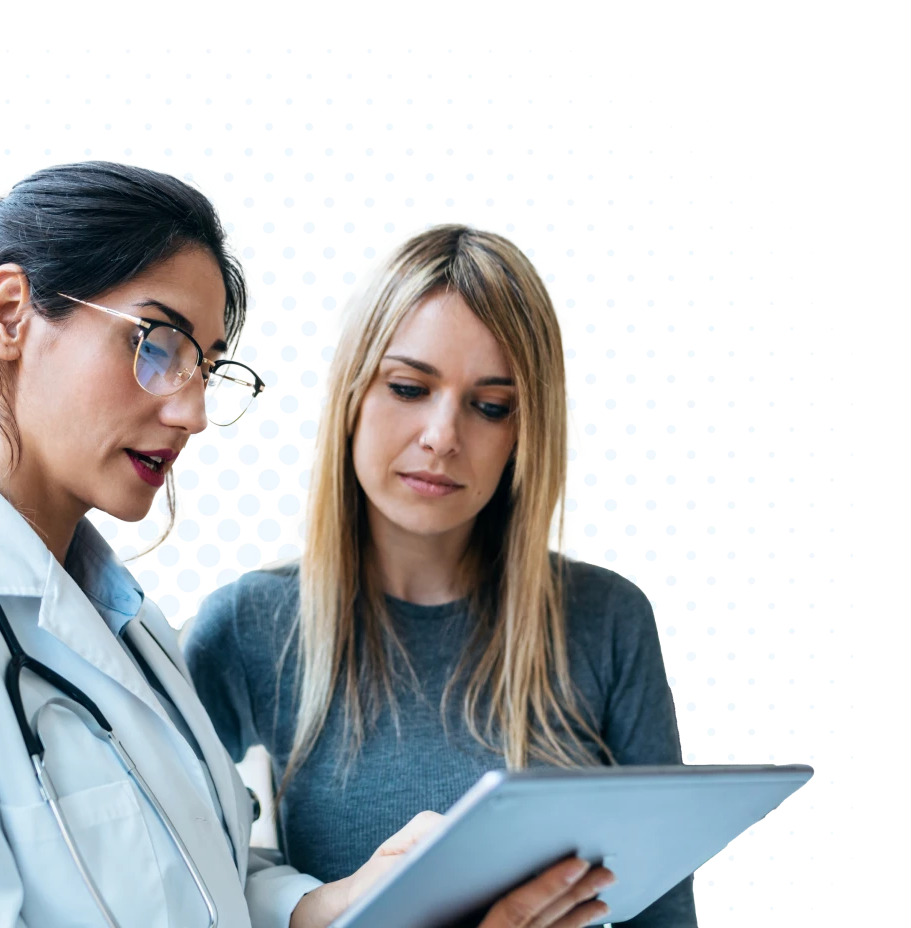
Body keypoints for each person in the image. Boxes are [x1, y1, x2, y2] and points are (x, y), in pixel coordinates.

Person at [0, 163, 614, 928]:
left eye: (204, 364)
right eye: (155, 345)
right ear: (9, 313)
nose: (192, 411)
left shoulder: (129, 630)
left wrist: (339, 906)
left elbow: (211, 882)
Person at [185, 222, 697, 927]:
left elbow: (662, 913)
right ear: (353, 393)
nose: (443, 436)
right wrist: (306, 910)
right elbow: (172, 876)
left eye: (490, 406)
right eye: (408, 386)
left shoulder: (605, 619)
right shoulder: (250, 626)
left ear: (525, 432)